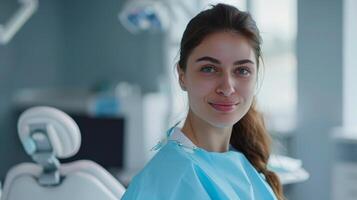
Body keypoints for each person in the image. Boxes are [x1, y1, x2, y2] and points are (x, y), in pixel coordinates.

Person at [122, 3, 284, 200]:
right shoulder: (172, 179)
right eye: (209, 69)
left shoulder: (239, 161)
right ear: (182, 76)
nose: (227, 87)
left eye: (242, 70)